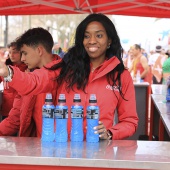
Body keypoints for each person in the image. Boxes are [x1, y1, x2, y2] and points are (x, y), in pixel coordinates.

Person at [0, 14, 138, 140]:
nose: (92, 41)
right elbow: (34, 81)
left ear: (109, 41)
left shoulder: (121, 76)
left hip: (98, 154)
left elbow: (130, 121)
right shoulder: (65, 68)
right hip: (62, 152)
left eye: (99, 36)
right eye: (86, 36)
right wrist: (8, 72)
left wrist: (110, 133)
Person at [0, 28, 60, 136]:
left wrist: (8, 73)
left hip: (60, 148)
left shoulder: (66, 75)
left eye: (25, 53)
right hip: (33, 149)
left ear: (39, 51)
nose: (22, 58)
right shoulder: (27, 77)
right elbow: (15, 118)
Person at [0, 41, 27, 120]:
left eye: (15, 52)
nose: (11, 55)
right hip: (6, 109)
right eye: (10, 52)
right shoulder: (5, 68)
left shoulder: (27, 69)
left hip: (21, 110)